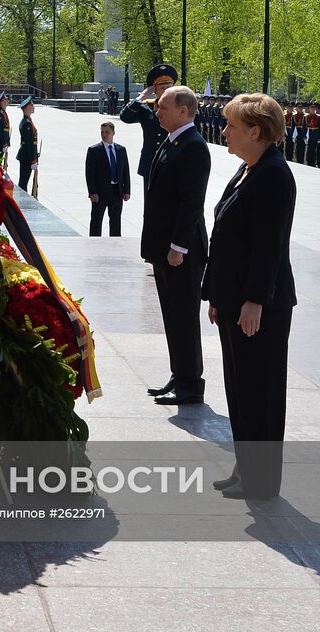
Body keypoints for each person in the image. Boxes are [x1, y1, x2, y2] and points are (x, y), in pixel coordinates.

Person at [203, 93, 297, 501]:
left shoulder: (274, 174)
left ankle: (261, 482)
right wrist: (216, 295)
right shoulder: (248, 169)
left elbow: (268, 246)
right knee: (240, 388)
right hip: (233, 300)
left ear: (255, 131)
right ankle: (246, 468)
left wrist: (254, 300)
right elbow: (226, 236)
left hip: (260, 305)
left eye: (232, 126)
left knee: (260, 390)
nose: (225, 131)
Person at [141, 86, 210, 406]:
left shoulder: (194, 146)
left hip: (180, 251)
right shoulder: (172, 141)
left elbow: (191, 202)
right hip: (164, 248)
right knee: (172, 315)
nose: (157, 112)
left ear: (183, 111)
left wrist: (178, 247)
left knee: (183, 316)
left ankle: (192, 383)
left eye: (163, 107)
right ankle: (179, 374)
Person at [119, 64, 176, 190]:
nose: (166, 91)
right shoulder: (147, 108)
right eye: (162, 88)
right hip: (151, 162)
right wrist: (140, 98)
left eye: (169, 87)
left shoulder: (181, 108)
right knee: (150, 204)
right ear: (154, 90)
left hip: (173, 162)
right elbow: (125, 117)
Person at [85, 122, 131, 236]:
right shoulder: (94, 150)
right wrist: (92, 192)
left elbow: (125, 171)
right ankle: (94, 243)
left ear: (113, 133)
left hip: (117, 191)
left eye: (107, 132)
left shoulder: (121, 150)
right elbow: (89, 174)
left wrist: (127, 191)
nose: (104, 134)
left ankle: (115, 243)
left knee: (116, 221)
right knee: (96, 220)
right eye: (102, 132)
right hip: (100, 192)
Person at [16, 96, 39, 191]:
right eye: (31, 105)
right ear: (26, 108)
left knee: (24, 181)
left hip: (26, 156)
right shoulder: (27, 123)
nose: (33, 107)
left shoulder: (27, 121)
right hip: (27, 156)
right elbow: (29, 144)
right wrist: (33, 160)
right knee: (23, 182)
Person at [0, 91, 11, 166]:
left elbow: (6, 130)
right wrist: (4, 144)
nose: (8, 101)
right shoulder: (0, 114)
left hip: (2, 142)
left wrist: (7, 142)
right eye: (6, 99)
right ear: (2, 102)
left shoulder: (3, 112)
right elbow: (1, 131)